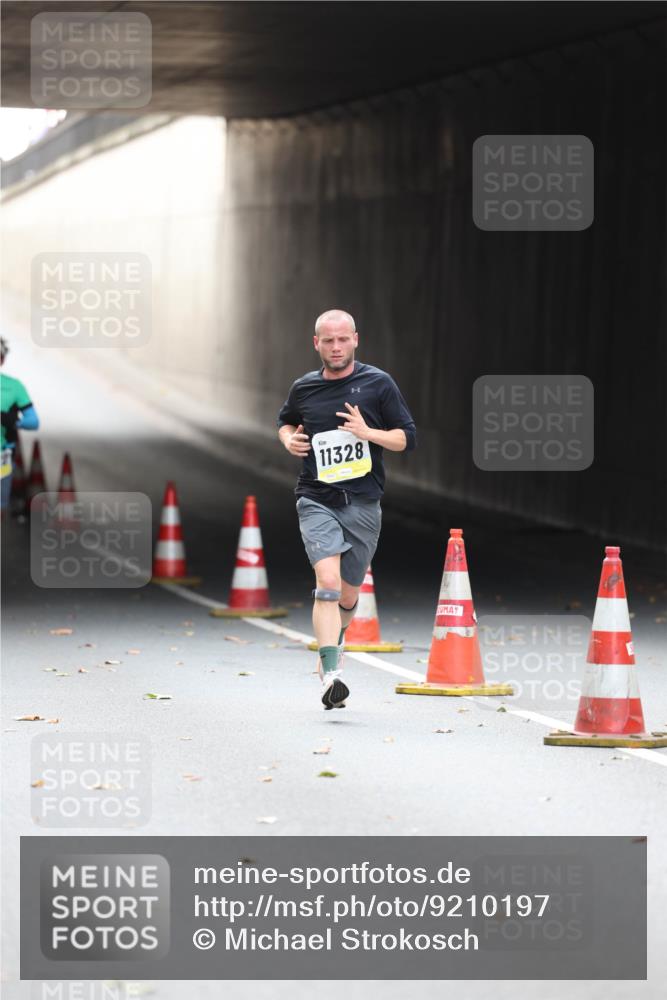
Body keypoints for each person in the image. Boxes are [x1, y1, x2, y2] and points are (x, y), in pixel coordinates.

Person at [277, 309, 416, 709]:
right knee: (328, 583)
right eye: (327, 340)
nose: (335, 347)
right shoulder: (303, 388)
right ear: (315, 343)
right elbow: (285, 422)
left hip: (363, 502)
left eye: (342, 340)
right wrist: (288, 441)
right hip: (316, 497)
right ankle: (330, 674)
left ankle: (333, 647)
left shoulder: (378, 384)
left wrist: (366, 432)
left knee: (349, 596)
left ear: (356, 339)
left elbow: (405, 439)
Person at [1, 338, 40, 514]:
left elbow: (34, 421)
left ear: (2, 359)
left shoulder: (14, 387)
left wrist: (14, 422)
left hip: (3, 454)